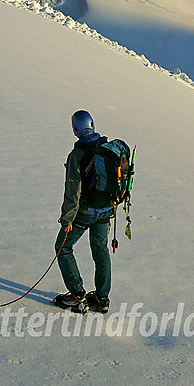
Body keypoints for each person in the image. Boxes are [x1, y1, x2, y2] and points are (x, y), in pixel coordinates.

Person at [53, 110, 113, 314]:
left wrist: (67, 219)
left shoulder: (77, 154)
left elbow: (73, 190)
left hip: (85, 211)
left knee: (63, 247)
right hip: (106, 210)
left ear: (75, 129)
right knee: (101, 251)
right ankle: (102, 298)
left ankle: (78, 296)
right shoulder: (105, 147)